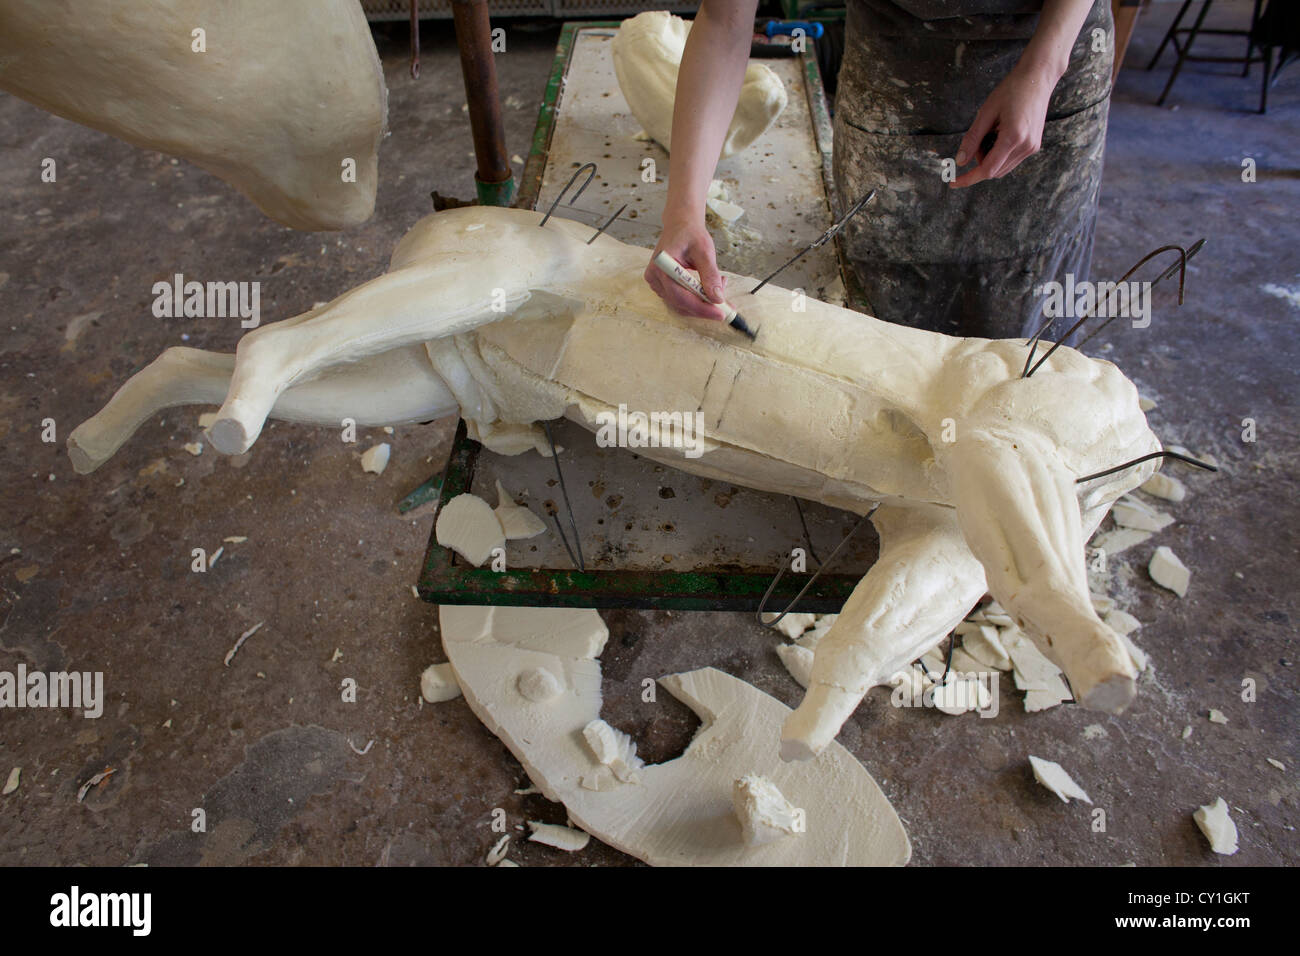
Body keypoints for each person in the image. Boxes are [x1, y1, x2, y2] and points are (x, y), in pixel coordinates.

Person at [645, 0, 1112, 342]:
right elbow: (726, 22)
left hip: (1048, 52)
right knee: (882, 334)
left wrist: (1044, 68)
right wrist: (684, 211)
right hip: (895, 67)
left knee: (1022, 329)